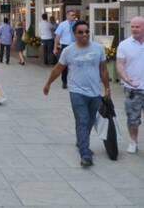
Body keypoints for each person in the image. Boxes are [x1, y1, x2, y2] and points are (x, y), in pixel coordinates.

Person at [43, 20, 110, 167]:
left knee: (90, 121)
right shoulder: (68, 51)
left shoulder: (98, 49)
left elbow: (103, 69)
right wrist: (48, 83)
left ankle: (81, 141)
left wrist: (107, 88)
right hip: (77, 92)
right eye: (81, 32)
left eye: (86, 31)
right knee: (83, 120)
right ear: (74, 34)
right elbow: (58, 69)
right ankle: (85, 154)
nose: (84, 34)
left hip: (95, 93)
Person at [116, 16, 144, 154]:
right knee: (132, 118)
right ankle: (133, 142)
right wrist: (125, 77)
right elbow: (120, 64)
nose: (134, 29)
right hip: (133, 89)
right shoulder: (124, 45)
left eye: (137, 26)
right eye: (132, 26)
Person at [53, 10, 77, 89]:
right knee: (64, 65)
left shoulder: (77, 24)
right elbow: (57, 37)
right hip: (65, 46)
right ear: (67, 16)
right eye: (72, 15)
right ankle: (64, 81)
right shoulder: (62, 25)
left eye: (74, 15)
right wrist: (55, 48)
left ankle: (74, 82)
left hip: (75, 46)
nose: (74, 16)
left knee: (75, 64)